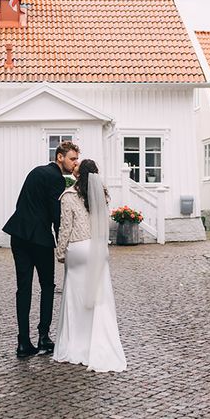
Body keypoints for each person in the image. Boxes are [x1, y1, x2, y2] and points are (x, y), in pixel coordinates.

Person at [3, 140, 80, 358]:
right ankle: (44, 337)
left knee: (23, 288)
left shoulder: (36, 172)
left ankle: (23, 342)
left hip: (18, 235)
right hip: (40, 240)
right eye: (72, 159)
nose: (75, 163)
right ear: (60, 157)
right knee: (47, 286)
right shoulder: (56, 178)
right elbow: (57, 216)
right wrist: (62, 246)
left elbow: (22, 202)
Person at [53, 159, 126, 372]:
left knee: (74, 299)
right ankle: (99, 343)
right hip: (98, 249)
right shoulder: (101, 194)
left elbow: (65, 227)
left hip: (78, 247)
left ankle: (74, 345)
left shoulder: (69, 196)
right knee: (97, 298)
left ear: (78, 175)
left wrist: (59, 252)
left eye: (76, 167)